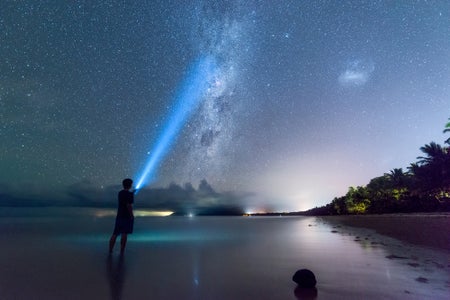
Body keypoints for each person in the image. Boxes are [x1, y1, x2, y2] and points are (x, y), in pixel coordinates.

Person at [109, 178, 135, 254]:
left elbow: (124, 199)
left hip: (119, 215)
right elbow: (128, 205)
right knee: (124, 234)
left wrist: (131, 193)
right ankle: (122, 251)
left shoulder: (120, 193)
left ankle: (110, 250)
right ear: (130, 185)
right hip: (126, 217)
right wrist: (131, 215)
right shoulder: (130, 195)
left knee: (115, 233)